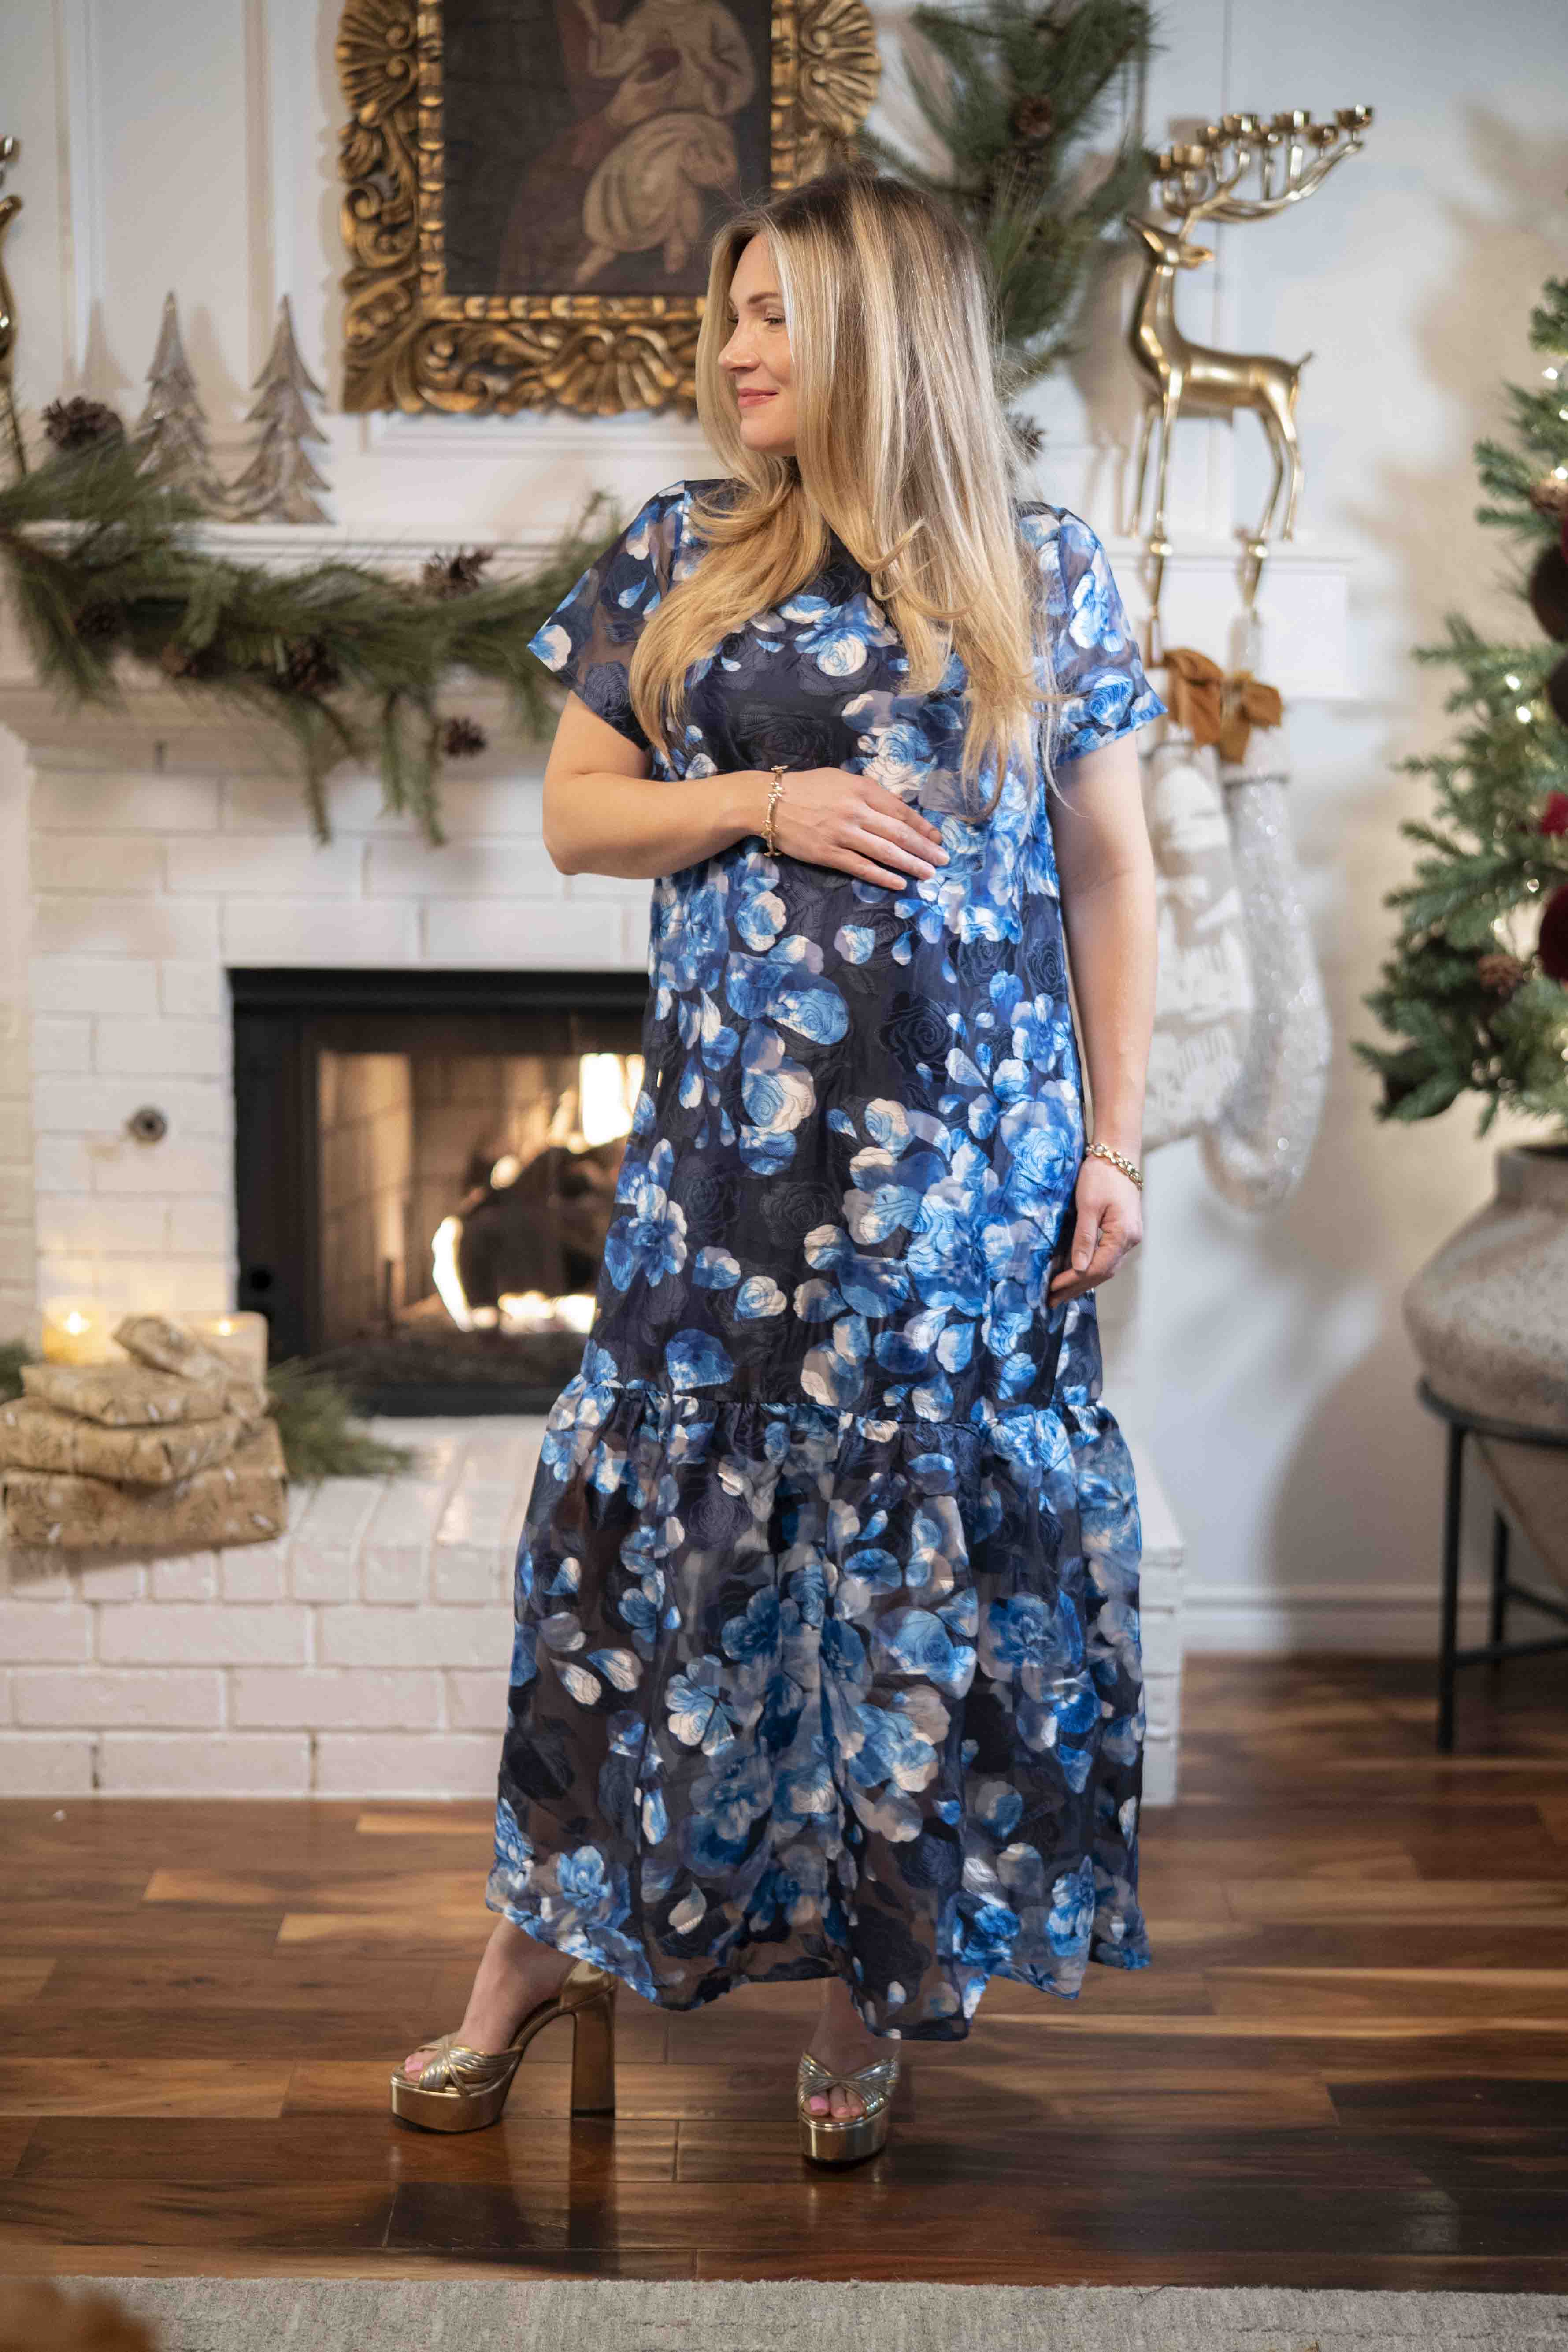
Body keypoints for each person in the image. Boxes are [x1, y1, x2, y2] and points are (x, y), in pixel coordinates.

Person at [394, 164, 1165, 2167]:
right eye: (728, 312)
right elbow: (573, 817)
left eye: (776, 314)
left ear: (881, 336)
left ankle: (866, 1989)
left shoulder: (1043, 571)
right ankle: (528, 1960)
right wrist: (765, 800)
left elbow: (1110, 877)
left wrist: (1117, 1146)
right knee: (640, 1575)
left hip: (964, 1186)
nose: (736, 349)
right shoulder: (674, 557)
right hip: (724, 1186)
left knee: (906, 1572)